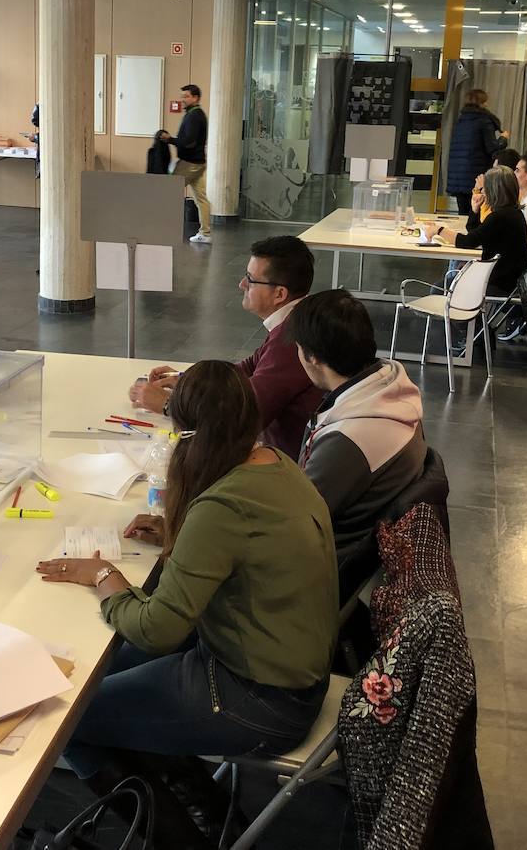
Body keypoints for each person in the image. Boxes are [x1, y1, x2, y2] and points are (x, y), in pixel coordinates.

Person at [39, 360, 336, 846]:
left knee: (70, 721)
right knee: (108, 680)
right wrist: (180, 535)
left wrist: (103, 575)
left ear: (186, 431)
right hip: (286, 675)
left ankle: (180, 839)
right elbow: (244, 548)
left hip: (257, 699)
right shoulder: (276, 466)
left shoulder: (221, 507)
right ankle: (209, 810)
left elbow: (158, 628)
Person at [131, 235, 321, 457]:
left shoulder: (291, 341)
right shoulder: (292, 321)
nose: (242, 284)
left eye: (251, 279)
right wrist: (189, 382)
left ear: (280, 294)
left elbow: (239, 420)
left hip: (286, 463)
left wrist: (170, 405)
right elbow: (243, 371)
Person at [288, 289, 427, 564]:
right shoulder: (390, 388)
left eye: (298, 347)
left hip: (323, 565)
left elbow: (291, 519)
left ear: (313, 357)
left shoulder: (349, 441)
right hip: (358, 547)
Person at [433, 166, 527, 298]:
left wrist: (438, 230)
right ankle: (467, 318)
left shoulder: (499, 217)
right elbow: (476, 234)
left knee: (438, 289)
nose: (483, 192)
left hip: (496, 283)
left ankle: (458, 318)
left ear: (493, 191)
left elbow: (467, 242)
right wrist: (475, 210)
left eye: (485, 188)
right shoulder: (513, 213)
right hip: (508, 282)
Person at [161, 84, 212, 244]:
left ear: (196, 98)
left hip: (189, 163)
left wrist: (170, 140)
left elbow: (189, 141)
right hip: (198, 162)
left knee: (169, 192)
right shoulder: (196, 114)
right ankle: (205, 233)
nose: (183, 100)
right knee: (201, 199)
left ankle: (165, 229)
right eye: (182, 96)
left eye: (186, 96)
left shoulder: (194, 116)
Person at [446, 88, 508, 217]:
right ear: (482, 102)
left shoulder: (461, 120)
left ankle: (461, 236)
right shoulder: (484, 120)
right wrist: (504, 138)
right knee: (477, 213)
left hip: (457, 176)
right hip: (476, 175)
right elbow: (492, 148)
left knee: (463, 213)